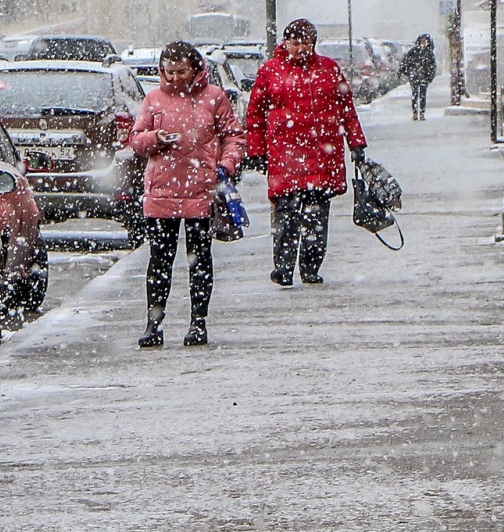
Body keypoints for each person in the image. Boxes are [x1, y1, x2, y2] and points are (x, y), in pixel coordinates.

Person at [126, 40, 243, 348]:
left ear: (195, 69)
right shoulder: (153, 99)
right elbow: (136, 141)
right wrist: (156, 137)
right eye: (170, 72)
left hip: (201, 192)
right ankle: (154, 323)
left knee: (200, 261)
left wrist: (226, 165)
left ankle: (198, 322)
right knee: (159, 262)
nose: (175, 78)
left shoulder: (214, 97)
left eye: (181, 71)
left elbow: (233, 136)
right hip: (161, 193)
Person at [243, 18, 366, 288]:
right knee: (287, 215)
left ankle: (310, 267)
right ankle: (284, 267)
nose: (301, 48)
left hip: (322, 155)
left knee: (317, 215)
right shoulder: (271, 71)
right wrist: (256, 150)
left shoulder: (328, 70)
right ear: (285, 43)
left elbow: (347, 109)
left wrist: (356, 144)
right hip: (285, 155)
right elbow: (255, 115)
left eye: (306, 43)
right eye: (296, 43)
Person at [400, 33, 439, 121]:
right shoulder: (414, 51)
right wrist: (408, 72)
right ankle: (415, 113)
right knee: (415, 94)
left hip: (423, 77)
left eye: (425, 41)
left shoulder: (428, 53)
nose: (423, 43)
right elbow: (405, 62)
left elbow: (432, 66)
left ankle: (421, 113)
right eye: (422, 41)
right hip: (415, 76)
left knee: (422, 95)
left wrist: (430, 76)